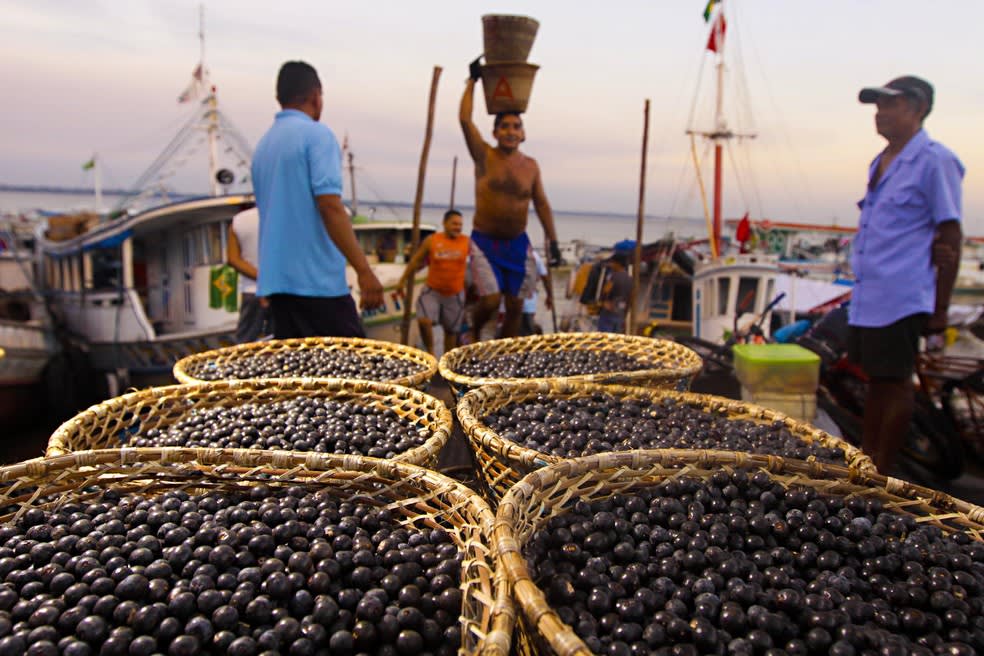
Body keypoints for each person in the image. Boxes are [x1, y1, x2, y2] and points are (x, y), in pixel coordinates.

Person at [851, 75, 963, 474]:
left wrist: (941, 310)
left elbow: (950, 235)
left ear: (917, 109)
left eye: (890, 106)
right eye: (878, 107)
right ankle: (865, 459)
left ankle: (881, 470)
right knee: (875, 382)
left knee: (896, 383)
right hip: (870, 294)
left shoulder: (935, 160)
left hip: (903, 293)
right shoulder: (879, 162)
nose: (880, 115)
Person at [251, 60, 383, 339]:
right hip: (318, 285)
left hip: (277, 288)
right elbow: (330, 206)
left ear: (279, 98)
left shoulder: (264, 145)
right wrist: (364, 270)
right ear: (315, 96)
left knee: (302, 378)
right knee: (354, 373)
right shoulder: (316, 135)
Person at [459, 60, 562, 340]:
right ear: (494, 133)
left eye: (516, 126)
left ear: (523, 133)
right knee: (491, 301)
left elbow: (541, 204)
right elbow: (466, 121)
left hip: (517, 243)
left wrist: (553, 242)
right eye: (504, 126)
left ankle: (505, 357)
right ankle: (474, 330)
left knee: (516, 306)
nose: (510, 131)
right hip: (484, 242)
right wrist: (472, 81)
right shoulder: (484, 156)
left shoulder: (531, 166)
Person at [398, 209, 470, 355]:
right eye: (454, 223)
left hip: (455, 294)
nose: (458, 227)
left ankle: (445, 365)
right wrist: (402, 280)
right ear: (444, 223)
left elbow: (478, 264)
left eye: (460, 224)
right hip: (432, 291)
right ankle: (430, 351)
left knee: (451, 332)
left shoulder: (466, 242)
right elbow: (415, 261)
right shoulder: (432, 240)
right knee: (424, 320)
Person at [226, 206, 271, 343]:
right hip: (281, 291)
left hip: (251, 291)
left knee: (246, 344)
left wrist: (262, 278)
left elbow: (233, 259)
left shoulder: (238, 221)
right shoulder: (280, 215)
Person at [597, 252, 632, 333]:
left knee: (604, 339)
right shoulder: (629, 279)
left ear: (618, 264)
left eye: (612, 262)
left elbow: (606, 291)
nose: (611, 265)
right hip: (621, 313)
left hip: (609, 312)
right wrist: (626, 312)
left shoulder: (613, 276)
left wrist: (602, 302)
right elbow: (631, 297)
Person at [520, 249, 552, 336]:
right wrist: (549, 296)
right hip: (525, 304)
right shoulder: (534, 255)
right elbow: (544, 276)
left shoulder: (533, 256)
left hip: (525, 303)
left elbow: (544, 277)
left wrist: (549, 296)